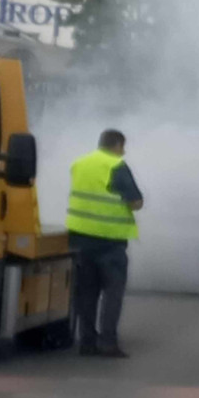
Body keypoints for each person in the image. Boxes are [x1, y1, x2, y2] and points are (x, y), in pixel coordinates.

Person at [66, 129, 143, 358]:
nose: (124, 151)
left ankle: (87, 342)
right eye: (123, 146)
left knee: (87, 293)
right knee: (112, 293)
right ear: (117, 145)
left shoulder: (79, 164)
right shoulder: (116, 165)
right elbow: (136, 201)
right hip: (109, 241)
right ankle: (107, 342)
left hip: (80, 239)